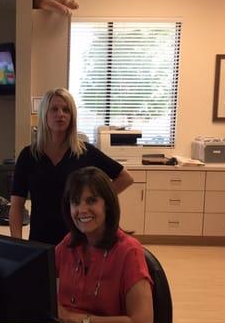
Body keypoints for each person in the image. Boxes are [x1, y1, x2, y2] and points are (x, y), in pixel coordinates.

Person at [10, 88, 133, 244]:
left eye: (66, 110)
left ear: (72, 116)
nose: (60, 114)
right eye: (54, 109)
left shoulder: (85, 152)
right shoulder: (29, 155)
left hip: (79, 240)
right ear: (44, 115)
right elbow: (16, 206)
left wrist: (98, 199)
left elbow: (125, 178)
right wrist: (18, 244)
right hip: (40, 240)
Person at [56, 166, 153, 323]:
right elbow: (37, 282)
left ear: (107, 204)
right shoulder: (69, 243)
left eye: (91, 200)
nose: (82, 210)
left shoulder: (129, 252)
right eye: (75, 202)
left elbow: (143, 322)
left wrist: (82, 320)